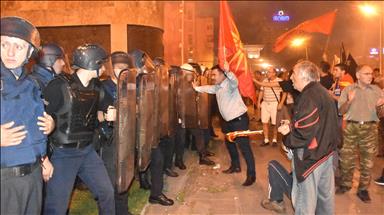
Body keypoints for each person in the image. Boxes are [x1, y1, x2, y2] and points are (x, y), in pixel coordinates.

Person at [43, 44, 115, 214]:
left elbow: (103, 110)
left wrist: (110, 114)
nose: (104, 67)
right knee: (56, 208)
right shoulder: (58, 86)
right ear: (92, 63)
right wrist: (43, 158)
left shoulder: (98, 87)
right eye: (101, 63)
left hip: (87, 151)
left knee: (107, 193)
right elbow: (41, 123)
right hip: (62, 154)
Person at [264, 60, 339, 214]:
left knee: (305, 202)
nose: (291, 78)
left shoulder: (309, 96)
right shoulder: (323, 92)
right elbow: (319, 124)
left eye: (294, 74)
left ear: (304, 77)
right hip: (327, 154)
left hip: (312, 159)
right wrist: (293, 126)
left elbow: (303, 135)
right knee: (324, 201)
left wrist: (287, 135)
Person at [1, 16, 55, 215]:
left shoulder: (30, 84)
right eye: (4, 44)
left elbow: (31, 124)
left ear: (29, 53)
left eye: (19, 46)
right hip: (5, 180)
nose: (11, 52)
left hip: (33, 175)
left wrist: (43, 158)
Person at [193, 64, 256, 186]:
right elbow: (209, 88)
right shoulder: (218, 87)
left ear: (223, 75)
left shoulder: (230, 84)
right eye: (212, 75)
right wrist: (197, 88)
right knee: (230, 144)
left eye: (214, 74)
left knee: (245, 148)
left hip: (239, 120)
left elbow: (235, 81)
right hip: (227, 122)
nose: (212, 77)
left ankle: (251, 175)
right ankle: (235, 166)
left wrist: (228, 71)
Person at [337, 65, 384, 203]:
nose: (371, 76)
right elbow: (340, 111)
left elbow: (381, 115)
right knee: (346, 159)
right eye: (366, 73)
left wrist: (381, 106)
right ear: (358, 75)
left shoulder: (377, 90)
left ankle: (363, 189)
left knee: (367, 162)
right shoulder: (348, 89)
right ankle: (345, 184)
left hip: (370, 129)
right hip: (351, 127)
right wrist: (349, 101)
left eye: (371, 74)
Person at [98, 51, 131, 214]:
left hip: (126, 137)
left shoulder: (128, 86)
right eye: (119, 67)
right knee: (109, 183)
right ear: (112, 68)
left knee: (124, 178)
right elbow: (94, 114)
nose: (122, 71)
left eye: (126, 67)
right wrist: (105, 116)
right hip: (109, 140)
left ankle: (122, 211)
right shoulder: (103, 87)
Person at [174, 63, 215, 170]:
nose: (192, 76)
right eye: (190, 74)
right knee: (181, 140)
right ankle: (178, 160)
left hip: (190, 116)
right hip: (180, 118)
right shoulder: (175, 84)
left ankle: (202, 156)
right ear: (183, 73)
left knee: (199, 134)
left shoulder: (191, 84)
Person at [257, 67, 286, 146]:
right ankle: (266, 140)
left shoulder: (279, 81)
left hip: (274, 104)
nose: (267, 73)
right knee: (264, 122)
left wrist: (281, 103)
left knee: (274, 123)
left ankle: (274, 140)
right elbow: (261, 91)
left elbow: (284, 93)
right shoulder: (265, 81)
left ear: (274, 73)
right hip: (265, 103)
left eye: (269, 72)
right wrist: (259, 102)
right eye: (267, 72)